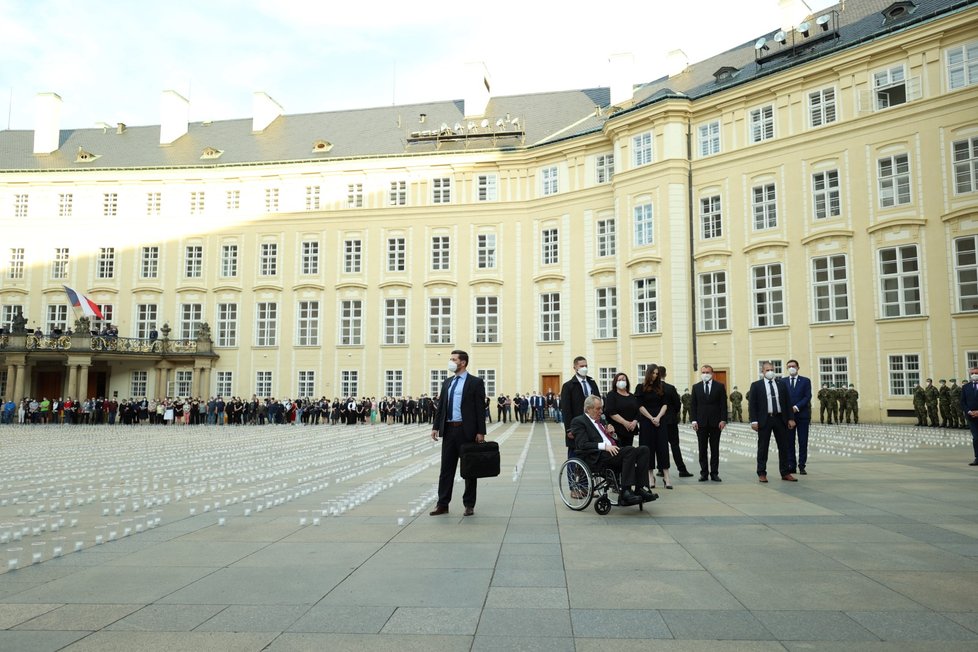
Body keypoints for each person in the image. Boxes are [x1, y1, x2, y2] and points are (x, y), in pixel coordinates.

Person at [430, 350, 487, 516]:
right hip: (448, 429)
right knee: (446, 469)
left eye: (453, 359)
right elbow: (441, 407)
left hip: (466, 430)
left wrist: (480, 431)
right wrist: (435, 427)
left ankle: (469, 504)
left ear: (462, 362)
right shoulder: (448, 382)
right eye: (451, 359)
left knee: (469, 469)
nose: (451, 362)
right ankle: (443, 504)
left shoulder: (475, 382)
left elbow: (479, 409)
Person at [573, 395, 656, 506]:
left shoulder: (601, 421)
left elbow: (615, 442)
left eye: (601, 408)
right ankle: (625, 491)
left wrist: (613, 435)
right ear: (588, 409)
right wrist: (604, 446)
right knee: (630, 450)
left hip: (613, 451)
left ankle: (640, 488)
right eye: (598, 409)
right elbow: (582, 444)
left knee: (644, 450)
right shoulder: (579, 421)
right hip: (598, 456)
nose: (601, 411)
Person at [749, 361, 797, 482]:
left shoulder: (781, 384)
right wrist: (753, 421)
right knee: (763, 447)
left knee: (784, 447)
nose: (770, 372)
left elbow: (787, 402)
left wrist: (791, 418)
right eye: (767, 370)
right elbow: (752, 405)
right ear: (762, 372)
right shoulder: (756, 385)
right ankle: (761, 472)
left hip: (780, 419)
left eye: (771, 369)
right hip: (765, 419)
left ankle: (785, 472)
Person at [635, 364, 672, 490]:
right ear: (648, 373)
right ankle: (650, 476)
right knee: (647, 447)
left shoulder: (661, 387)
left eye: (657, 373)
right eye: (653, 373)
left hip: (660, 420)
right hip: (646, 421)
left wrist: (658, 418)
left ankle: (666, 475)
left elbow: (665, 404)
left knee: (662, 447)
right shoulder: (640, 388)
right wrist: (651, 418)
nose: (655, 375)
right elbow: (639, 406)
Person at [689, 364, 727, 482]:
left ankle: (714, 473)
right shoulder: (696, 387)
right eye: (703, 372)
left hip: (716, 423)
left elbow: (723, 405)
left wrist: (723, 419)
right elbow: (693, 405)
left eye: (707, 372)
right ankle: (704, 473)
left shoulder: (719, 386)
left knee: (714, 449)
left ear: (712, 373)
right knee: (702, 449)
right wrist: (694, 420)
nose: (705, 374)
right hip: (701, 423)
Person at [560, 356, 601, 463]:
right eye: (582, 366)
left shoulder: (592, 382)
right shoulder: (568, 386)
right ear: (575, 367)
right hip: (577, 425)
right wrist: (569, 429)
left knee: (591, 452)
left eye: (586, 366)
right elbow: (566, 410)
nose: (584, 368)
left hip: (592, 425)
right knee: (575, 455)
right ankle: (573, 478)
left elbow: (598, 401)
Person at [658, 366, 692, 478]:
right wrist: (673, 413)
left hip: (657, 421)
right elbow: (677, 404)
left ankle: (661, 469)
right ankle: (681, 469)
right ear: (665, 374)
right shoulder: (670, 388)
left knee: (660, 446)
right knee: (675, 445)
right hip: (670, 420)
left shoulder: (652, 388)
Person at [784, 360, 812, 475]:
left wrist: (796, 407)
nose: (791, 368)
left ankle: (802, 465)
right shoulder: (783, 381)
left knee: (802, 440)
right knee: (789, 441)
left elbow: (807, 396)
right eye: (789, 366)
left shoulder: (805, 381)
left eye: (793, 366)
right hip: (789, 417)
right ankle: (792, 465)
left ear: (798, 368)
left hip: (802, 415)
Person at [604, 372, 640, 448]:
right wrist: (625, 423)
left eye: (623, 379)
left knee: (629, 452)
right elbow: (610, 411)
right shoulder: (611, 395)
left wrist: (634, 422)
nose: (621, 381)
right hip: (616, 430)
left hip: (630, 430)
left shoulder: (632, 396)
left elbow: (637, 411)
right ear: (615, 382)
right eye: (619, 380)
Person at [961, 367, 978, 466]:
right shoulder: (966, 387)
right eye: (972, 373)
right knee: (976, 438)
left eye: (976, 373)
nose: (974, 375)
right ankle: (977, 457)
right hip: (971, 417)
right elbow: (963, 402)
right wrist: (969, 411)